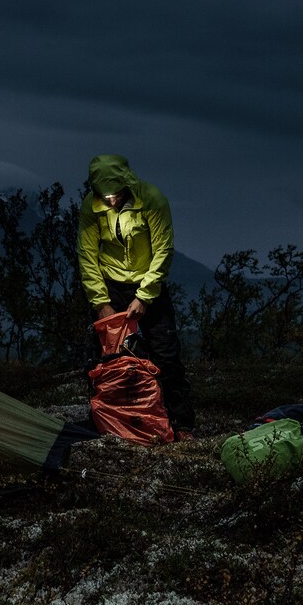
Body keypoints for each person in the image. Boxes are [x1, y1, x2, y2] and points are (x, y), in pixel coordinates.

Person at [77, 154, 196, 436]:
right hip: (110, 286)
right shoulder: (90, 207)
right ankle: (109, 420)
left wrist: (144, 296)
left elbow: (163, 250)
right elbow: (87, 256)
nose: (110, 200)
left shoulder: (152, 199)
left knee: (165, 354)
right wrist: (101, 303)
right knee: (105, 358)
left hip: (148, 283)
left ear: (127, 185)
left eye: (115, 194)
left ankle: (180, 422)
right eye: (105, 196)